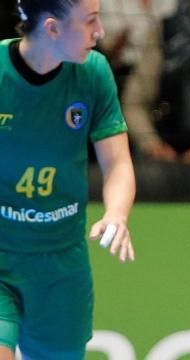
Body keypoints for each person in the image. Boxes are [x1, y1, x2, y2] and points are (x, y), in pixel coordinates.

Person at [0, 0, 136, 359]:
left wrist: (116, 214)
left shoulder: (93, 72)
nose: (101, 31)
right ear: (52, 28)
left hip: (62, 262)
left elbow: (118, 163)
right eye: (90, 21)